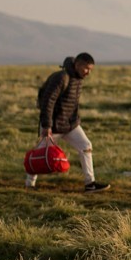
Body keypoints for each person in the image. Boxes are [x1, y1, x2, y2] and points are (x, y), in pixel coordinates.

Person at [27, 53, 110, 192]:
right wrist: (47, 125)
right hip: (53, 126)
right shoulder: (61, 78)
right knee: (40, 153)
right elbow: (48, 102)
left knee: (86, 145)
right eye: (86, 69)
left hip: (70, 125)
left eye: (91, 70)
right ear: (77, 64)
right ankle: (29, 185)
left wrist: (75, 120)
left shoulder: (78, 79)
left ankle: (90, 184)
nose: (88, 73)